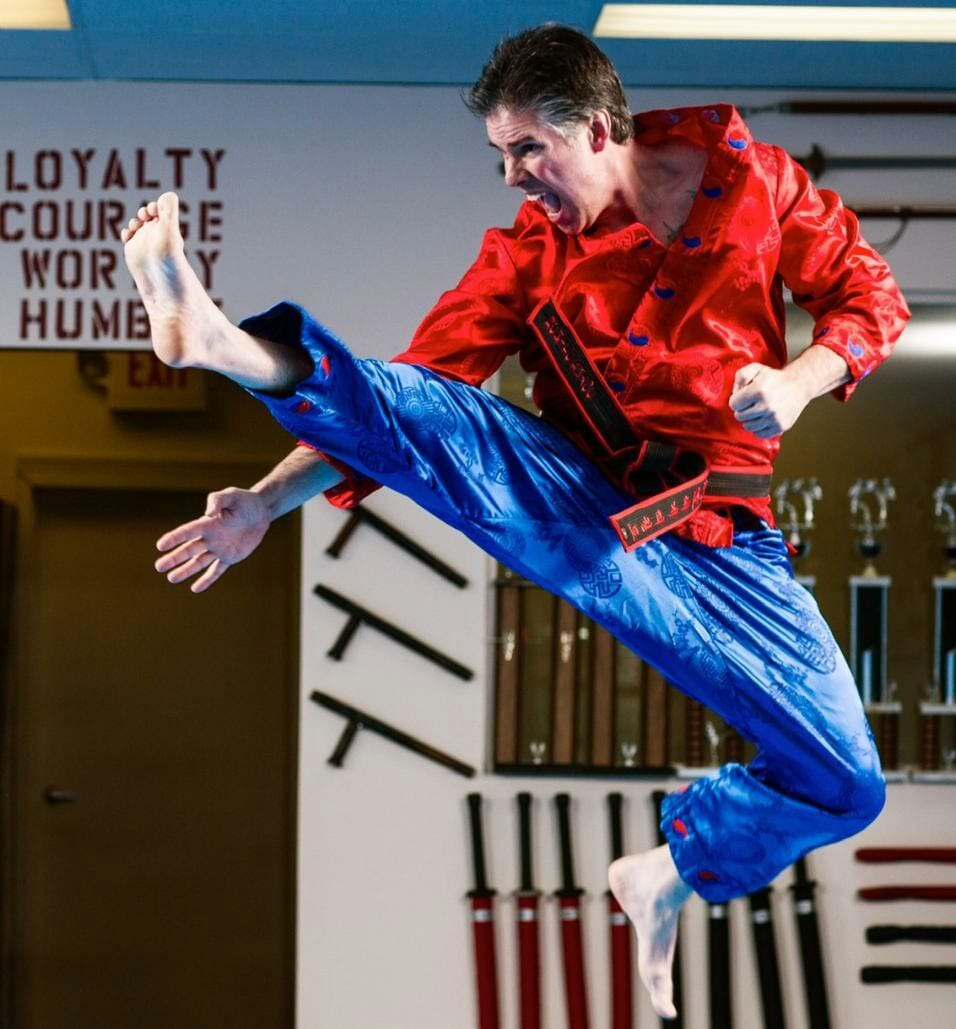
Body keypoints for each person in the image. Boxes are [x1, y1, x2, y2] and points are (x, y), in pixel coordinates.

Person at [122, 24, 909, 1019]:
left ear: (597, 129)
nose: (512, 177)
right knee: (438, 411)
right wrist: (265, 502)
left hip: (727, 539)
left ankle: (666, 873)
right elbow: (411, 404)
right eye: (501, 154)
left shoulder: (753, 181)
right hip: (581, 502)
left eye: (528, 149)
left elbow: (871, 299)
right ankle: (227, 344)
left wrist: (796, 383)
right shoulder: (527, 258)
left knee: (846, 780)